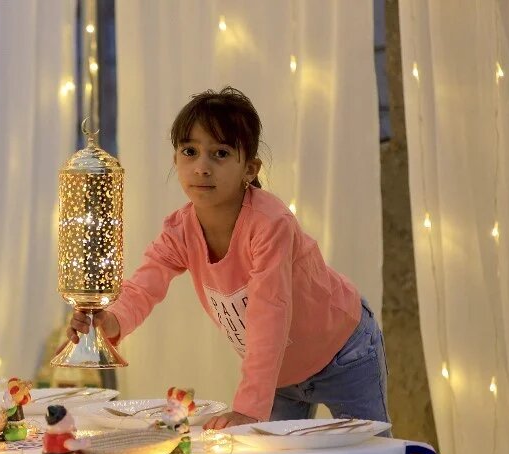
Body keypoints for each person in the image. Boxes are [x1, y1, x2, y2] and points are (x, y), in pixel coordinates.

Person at [66, 87, 390, 432]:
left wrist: (248, 410)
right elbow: (144, 287)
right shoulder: (179, 231)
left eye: (220, 153)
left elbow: (270, 313)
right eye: (189, 151)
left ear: (249, 168)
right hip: (278, 376)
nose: (201, 167)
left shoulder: (270, 224)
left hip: (343, 353)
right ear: (176, 160)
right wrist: (110, 322)